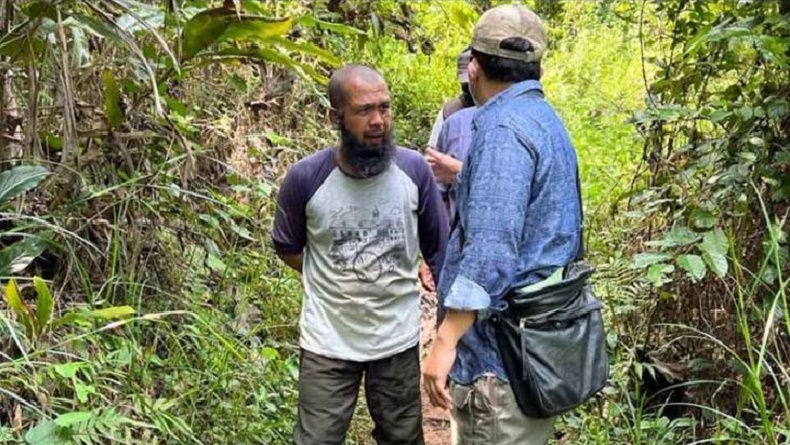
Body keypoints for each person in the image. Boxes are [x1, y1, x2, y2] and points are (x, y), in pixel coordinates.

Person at [422, 5, 583, 444]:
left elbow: (491, 252)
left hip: (500, 360)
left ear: (473, 67)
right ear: (536, 66)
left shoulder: (501, 130)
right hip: (534, 350)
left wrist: (445, 341)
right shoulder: (544, 121)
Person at [271, 64, 448, 445]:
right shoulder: (306, 178)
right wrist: (332, 277)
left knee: (402, 437)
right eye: (365, 110)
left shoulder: (413, 170)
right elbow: (288, 247)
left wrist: (449, 335)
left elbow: (439, 252)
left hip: (397, 339)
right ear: (335, 117)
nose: (378, 120)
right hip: (327, 343)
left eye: (385, 108)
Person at [419, 48, 475, 291]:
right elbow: (434, 185)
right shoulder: (450, 113)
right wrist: (428, 254)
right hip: (454, 233)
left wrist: (460, 172)